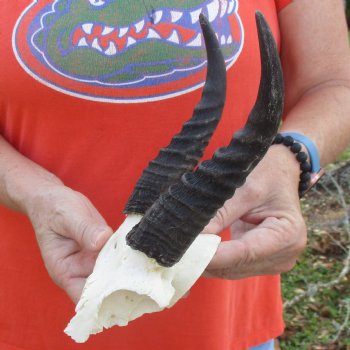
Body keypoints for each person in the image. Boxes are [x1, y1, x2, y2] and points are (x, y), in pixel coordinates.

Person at [0, 0, 349, 349]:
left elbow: (333, 85)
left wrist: (293, 157)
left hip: (224, 322)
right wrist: (33, 193)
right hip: (26, 318)